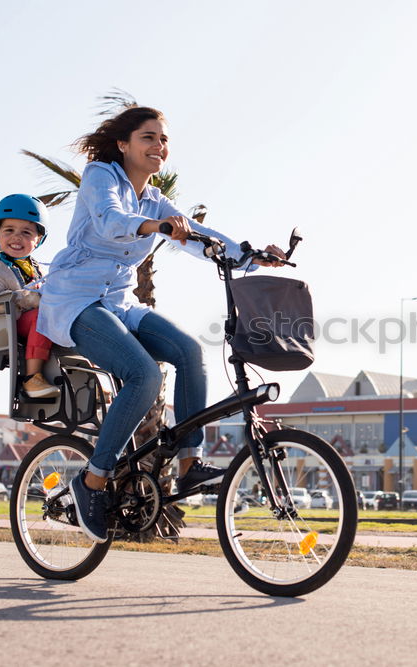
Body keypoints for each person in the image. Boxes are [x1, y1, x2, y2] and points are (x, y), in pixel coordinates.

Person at [37, 105, 284, 543]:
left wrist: (248, 256)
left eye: (163, 140)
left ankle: (189, 464)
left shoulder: (154, 198)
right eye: (148, 138)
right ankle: (91, 481)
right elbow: (111, 221)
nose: (158, 146)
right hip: (75, 301)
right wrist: (157, 227)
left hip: (118, 303)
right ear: (124, 144)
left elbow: (198, 237)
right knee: (144, 374)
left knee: (190, 352)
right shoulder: (101, 176)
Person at [0, 194, 60, 399]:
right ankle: (32, 378)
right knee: (43, 316)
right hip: (7, 322)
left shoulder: (37, 268)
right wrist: (29, 299)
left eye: (26, 232)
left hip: (37, 321)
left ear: (38, 240)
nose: (16, 237)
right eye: (9, 230)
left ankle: (84, 379)